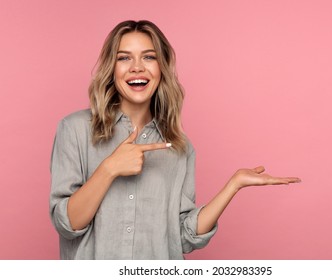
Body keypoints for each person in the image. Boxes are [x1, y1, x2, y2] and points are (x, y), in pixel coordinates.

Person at [49, 20, 301, 260]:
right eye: (124, 58)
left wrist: (233, 185)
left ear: (161, 68)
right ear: (111, 69)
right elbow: (67, 224)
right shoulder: (75, 129)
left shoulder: (179, 147)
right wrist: (109, 169)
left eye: (149, 57)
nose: (137, 67)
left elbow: (181, 236)